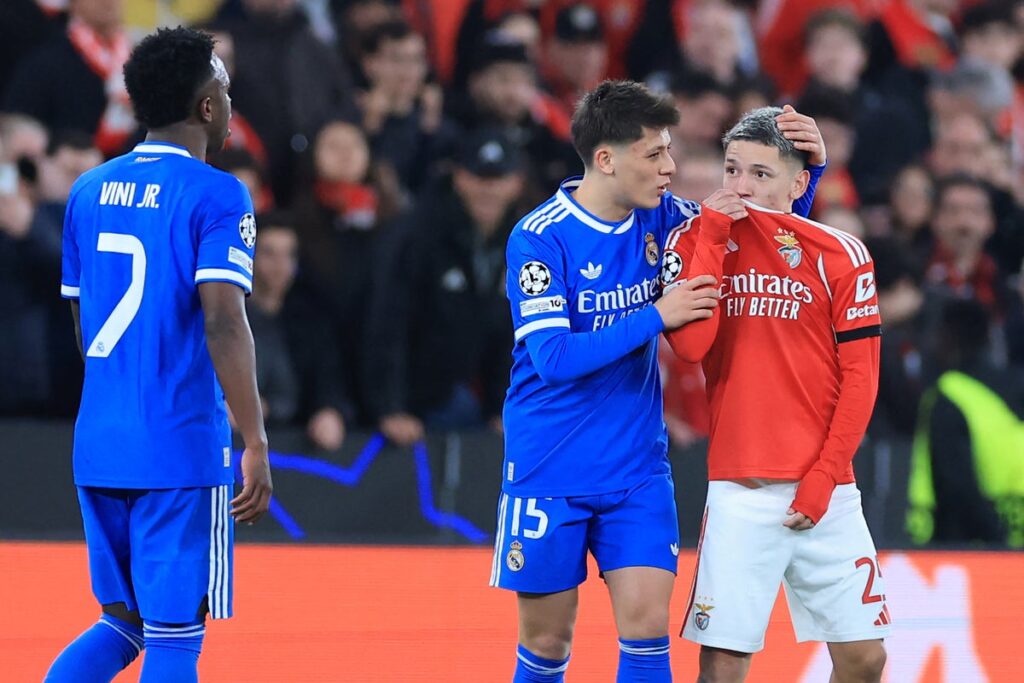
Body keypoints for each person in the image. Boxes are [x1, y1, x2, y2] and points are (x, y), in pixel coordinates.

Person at [491, 80, 823, 682]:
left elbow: (771, 241)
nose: (671, 168)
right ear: (605, 159)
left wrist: (809, 174)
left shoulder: (669, 220)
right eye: (654, 155)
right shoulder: (540, 237)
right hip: (549, 466)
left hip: (636, 469)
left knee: (647, 631)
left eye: (670, 151)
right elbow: (554, 358)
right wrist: (657, 315)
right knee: (546, 641)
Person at [46, 26, 272, 682]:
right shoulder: (218, 194)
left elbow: (81, 318)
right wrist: (254, 437)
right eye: (225, 90)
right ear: (207, 107)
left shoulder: (88, 190)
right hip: (177, 444)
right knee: (175, 635)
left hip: (100, 441)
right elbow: (225, 322)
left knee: (123, 621)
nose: (231, 104)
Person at [662, 107, 888, 682]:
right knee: (724, 666)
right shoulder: (692, 238)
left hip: (827, 492)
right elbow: (690, 347)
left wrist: (824, 476)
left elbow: (861, 379)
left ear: (798, 183)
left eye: (760, 174)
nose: (740, 187)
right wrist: (712, 235)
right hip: (741, 490)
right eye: (732, 170)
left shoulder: (841, 253)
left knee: (865, 660)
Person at [907, 297, 1024, 548]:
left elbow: (957, 485)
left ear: (948, 337)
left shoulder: (949, 394)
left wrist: (996, 539)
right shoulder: (1016, 385)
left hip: (964, 545)